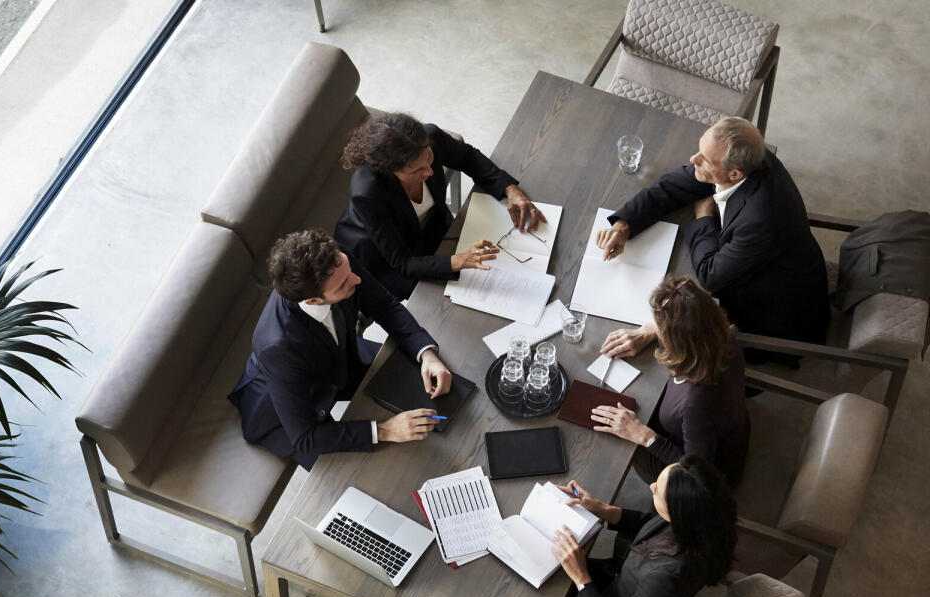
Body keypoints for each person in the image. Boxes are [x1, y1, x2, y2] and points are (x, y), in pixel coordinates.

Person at [596, 116, 828, 356]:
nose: (693, 160)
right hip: (756, 259)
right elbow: (673, 186)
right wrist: (623, 227)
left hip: (774, 309)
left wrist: (704, 219)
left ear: (735, 174)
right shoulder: (748, 156)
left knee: (680, 350)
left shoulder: (761, 220)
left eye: (704, 160)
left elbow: (711, 276)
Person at [228, 229, 452, 470]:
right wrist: (386, 430)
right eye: (345, 284)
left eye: (349, 271)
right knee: (369, 471)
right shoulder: (277, 347)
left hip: (340, 359)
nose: (356, 280)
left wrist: (427, 354)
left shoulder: (337, 265)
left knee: (424, 384)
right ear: (313, 300)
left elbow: (384, 305)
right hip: (285, 413)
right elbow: (306, 438)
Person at [542, 456, 737, 597]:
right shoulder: (702, 521)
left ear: (678, 511)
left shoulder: (667, 577)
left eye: (657, 491)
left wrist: (582, 578)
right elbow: (650, 524)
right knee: (554, 571)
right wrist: (603, 509)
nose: (651, 485)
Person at [334, 112, 544, 300]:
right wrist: (457, 261)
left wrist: (510, 190)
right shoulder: (368, 193)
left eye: (429, 159)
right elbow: (403, 263)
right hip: (383, 254)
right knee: (444, 302)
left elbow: (468, 157)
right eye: (417, 171)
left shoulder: (430, 138)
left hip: (430, 228)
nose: (430, 172)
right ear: (390, 171)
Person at [590, 275, 750, 485]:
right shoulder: (721, 336)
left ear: (678, 341)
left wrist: (644, 436)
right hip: (726, 429)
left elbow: (697, 473)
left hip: (702, 474)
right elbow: (691, 315)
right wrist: (649, 330)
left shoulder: (695, 405)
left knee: (621, 439)